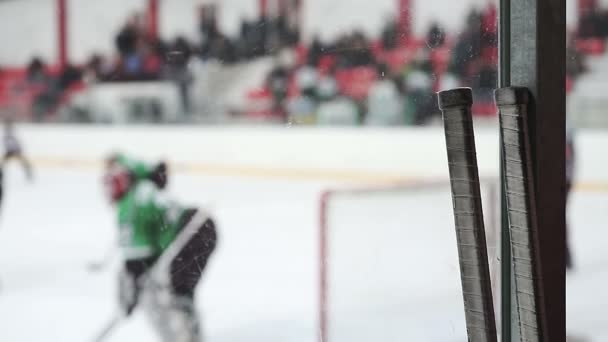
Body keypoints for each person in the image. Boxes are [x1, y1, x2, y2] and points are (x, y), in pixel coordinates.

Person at [104, 155, 217, 342]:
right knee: (176, 290)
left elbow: (137, 262)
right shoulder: (142, 189)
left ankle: (185, 337)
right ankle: (188, 335)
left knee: (169, 293)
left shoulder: (131, 203)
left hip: (191, 234)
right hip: (200, 229)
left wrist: (130, 291)